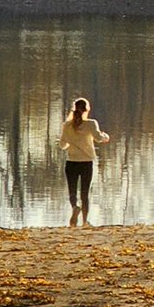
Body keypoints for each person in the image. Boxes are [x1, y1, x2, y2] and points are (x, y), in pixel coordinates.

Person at [58, 97, 110, 227]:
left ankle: (75, 207)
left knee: (72, 190)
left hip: (71, 162)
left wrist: (71, 142)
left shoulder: (67, 125)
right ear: (86, 110)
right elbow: (98, 138)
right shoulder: (91, 124)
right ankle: (85, 221)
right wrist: (106, 136)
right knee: (85, 192)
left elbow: (62, 145)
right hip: (86, 162)